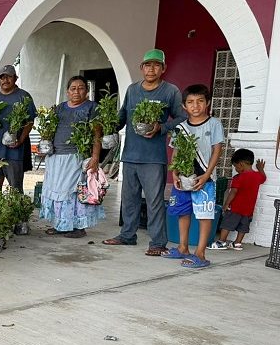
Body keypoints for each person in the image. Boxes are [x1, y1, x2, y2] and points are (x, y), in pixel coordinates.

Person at [103, 49, 186, 256]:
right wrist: (107, 124)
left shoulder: (170, 91)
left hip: (153, 158)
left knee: (154, 201)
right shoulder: (132, 90)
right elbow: (122, 115)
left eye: (157, 65)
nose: (152, 69)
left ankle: (158, 242)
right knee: (129, 199)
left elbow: (181, 118)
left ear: (163, 69)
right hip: (130, 155)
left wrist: (161, 127)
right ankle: (127, 235)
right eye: (148, 65)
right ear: (142, 68)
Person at [162, 84, 223, 268]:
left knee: (204, 215)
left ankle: (201, 253)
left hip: (205, 179)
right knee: (183, 212)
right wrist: (175, 174)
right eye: (190, 102)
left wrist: (206, 175)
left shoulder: (214, 124)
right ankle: (182, 247)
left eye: (200, 101)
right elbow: (177, 152)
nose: (195, 106)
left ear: (208, 103)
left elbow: (217, 151)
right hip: (184, 177)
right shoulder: (181, 127)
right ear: (184, 106)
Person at [39, 76, 104, 238]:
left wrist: (95, 158)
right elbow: (49, 130)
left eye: (81, 88)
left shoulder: (92, 107)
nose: (77, 91)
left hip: (76, 157)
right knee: (56, 191)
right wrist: (44, 146)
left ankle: (77, 227)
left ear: (87, 91)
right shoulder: (60, 108)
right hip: (55, 157)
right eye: (73, 88)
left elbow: (97, 134)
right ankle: (60, 224)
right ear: (67, 92)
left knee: (73, 192)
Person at [208, 149, 267, 251]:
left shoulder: (238, 178)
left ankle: (222, 242)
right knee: (243, 227)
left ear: (241, 164)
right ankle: (237, 243)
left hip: (235, 208)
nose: (236, 169)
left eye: (235, 166)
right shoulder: (257, 176)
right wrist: (260, 168)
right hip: (249, 210)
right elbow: (263, 178)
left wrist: (226, 204)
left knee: (227, 224)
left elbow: (233, 192)